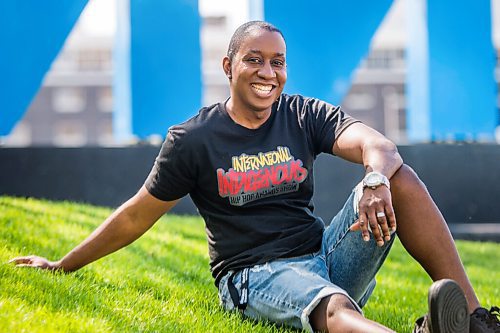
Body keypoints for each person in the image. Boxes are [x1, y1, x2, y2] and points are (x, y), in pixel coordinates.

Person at [10, 21, 499, 333]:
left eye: (278, 62)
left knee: (400, 178)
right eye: (255, 60)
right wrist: (61, 266)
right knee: (333, 309)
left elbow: (380, 147)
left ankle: (476, 323)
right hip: (253, 276)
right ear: (229, 66)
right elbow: (136, 214)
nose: (269, 72)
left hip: (323, 256)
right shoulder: (194, 140)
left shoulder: (301, 114)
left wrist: (374, 181)